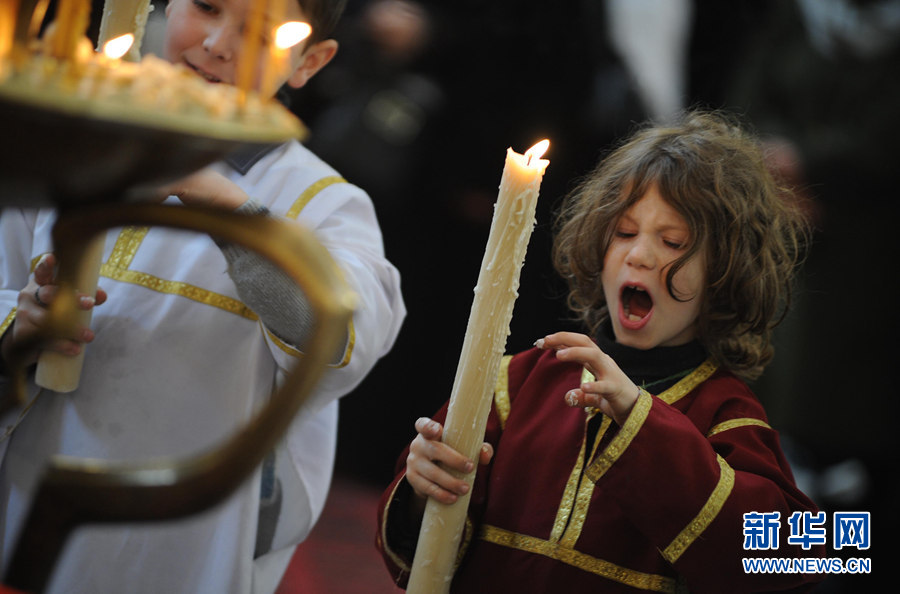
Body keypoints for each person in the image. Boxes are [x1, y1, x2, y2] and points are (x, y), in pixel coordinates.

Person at [0, 0, 405, 592]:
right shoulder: (66, 142)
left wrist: (211, 194)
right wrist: (22, 323)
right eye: (207, 6)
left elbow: (341, 334)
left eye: (261, 31)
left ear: (308, 62)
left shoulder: (322, 200)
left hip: (167, 533)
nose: (217, 43)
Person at [375, 110, 826, 592]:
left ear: (725, 274)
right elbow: (423, 545)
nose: (640, 255)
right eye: (624, 233)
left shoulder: (728, 415)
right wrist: (424, 488)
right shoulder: (516, 382)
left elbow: (809, 558)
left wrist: (641, 421)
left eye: (673, 241)